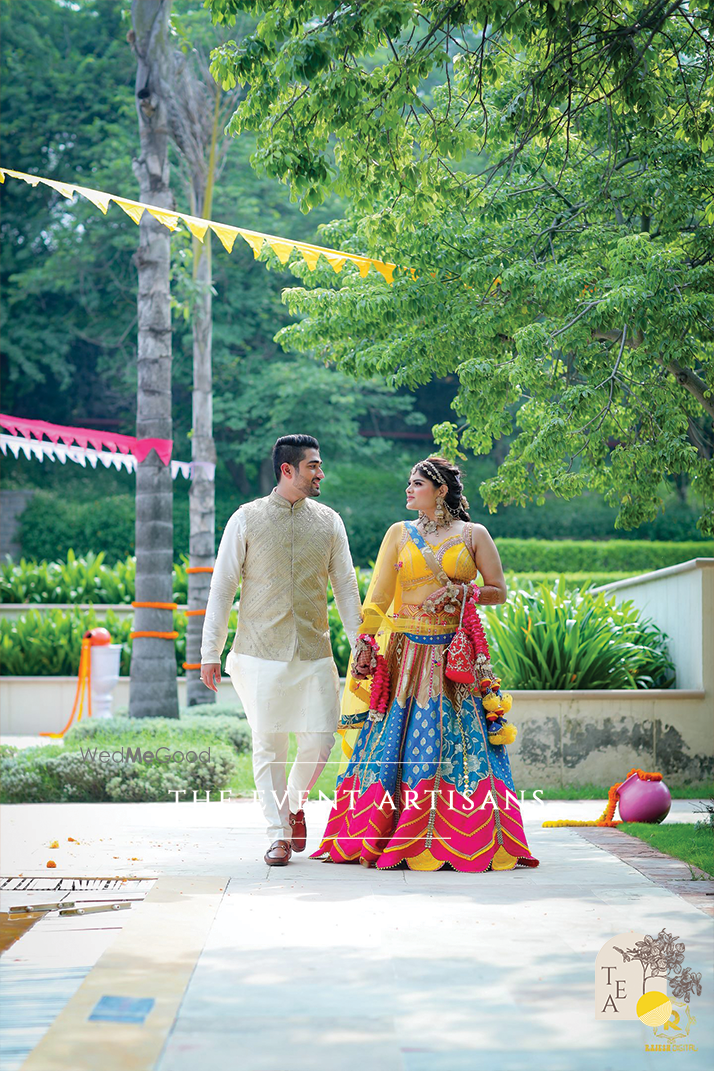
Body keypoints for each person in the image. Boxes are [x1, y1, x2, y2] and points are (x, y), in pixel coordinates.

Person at [311, 456, 539, 872]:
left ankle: (458, 836)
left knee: (456, 741)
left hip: (453, 657)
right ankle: (381, 833)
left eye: (416, 484)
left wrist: (463, 594)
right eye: (409, 483)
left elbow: (498, 590)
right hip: (403, 657)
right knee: (391, 741)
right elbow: (377, 599)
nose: (408, 490)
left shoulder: (474, 534)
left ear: (441, 491)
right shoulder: (399, 534)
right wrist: (365, 642)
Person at [200, 435, 363, 866]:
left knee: (320, 739)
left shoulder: (329, 521)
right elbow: (223, 587)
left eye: (320, 465)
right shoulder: (246, 518)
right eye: (313, 466)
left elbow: (346, 586)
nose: (320, 473)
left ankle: (292, 806)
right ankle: (277, 833)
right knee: (268, 745)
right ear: (287, 470)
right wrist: (209, 651)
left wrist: (360, 643)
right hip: (258, 651)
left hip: (314, 648)